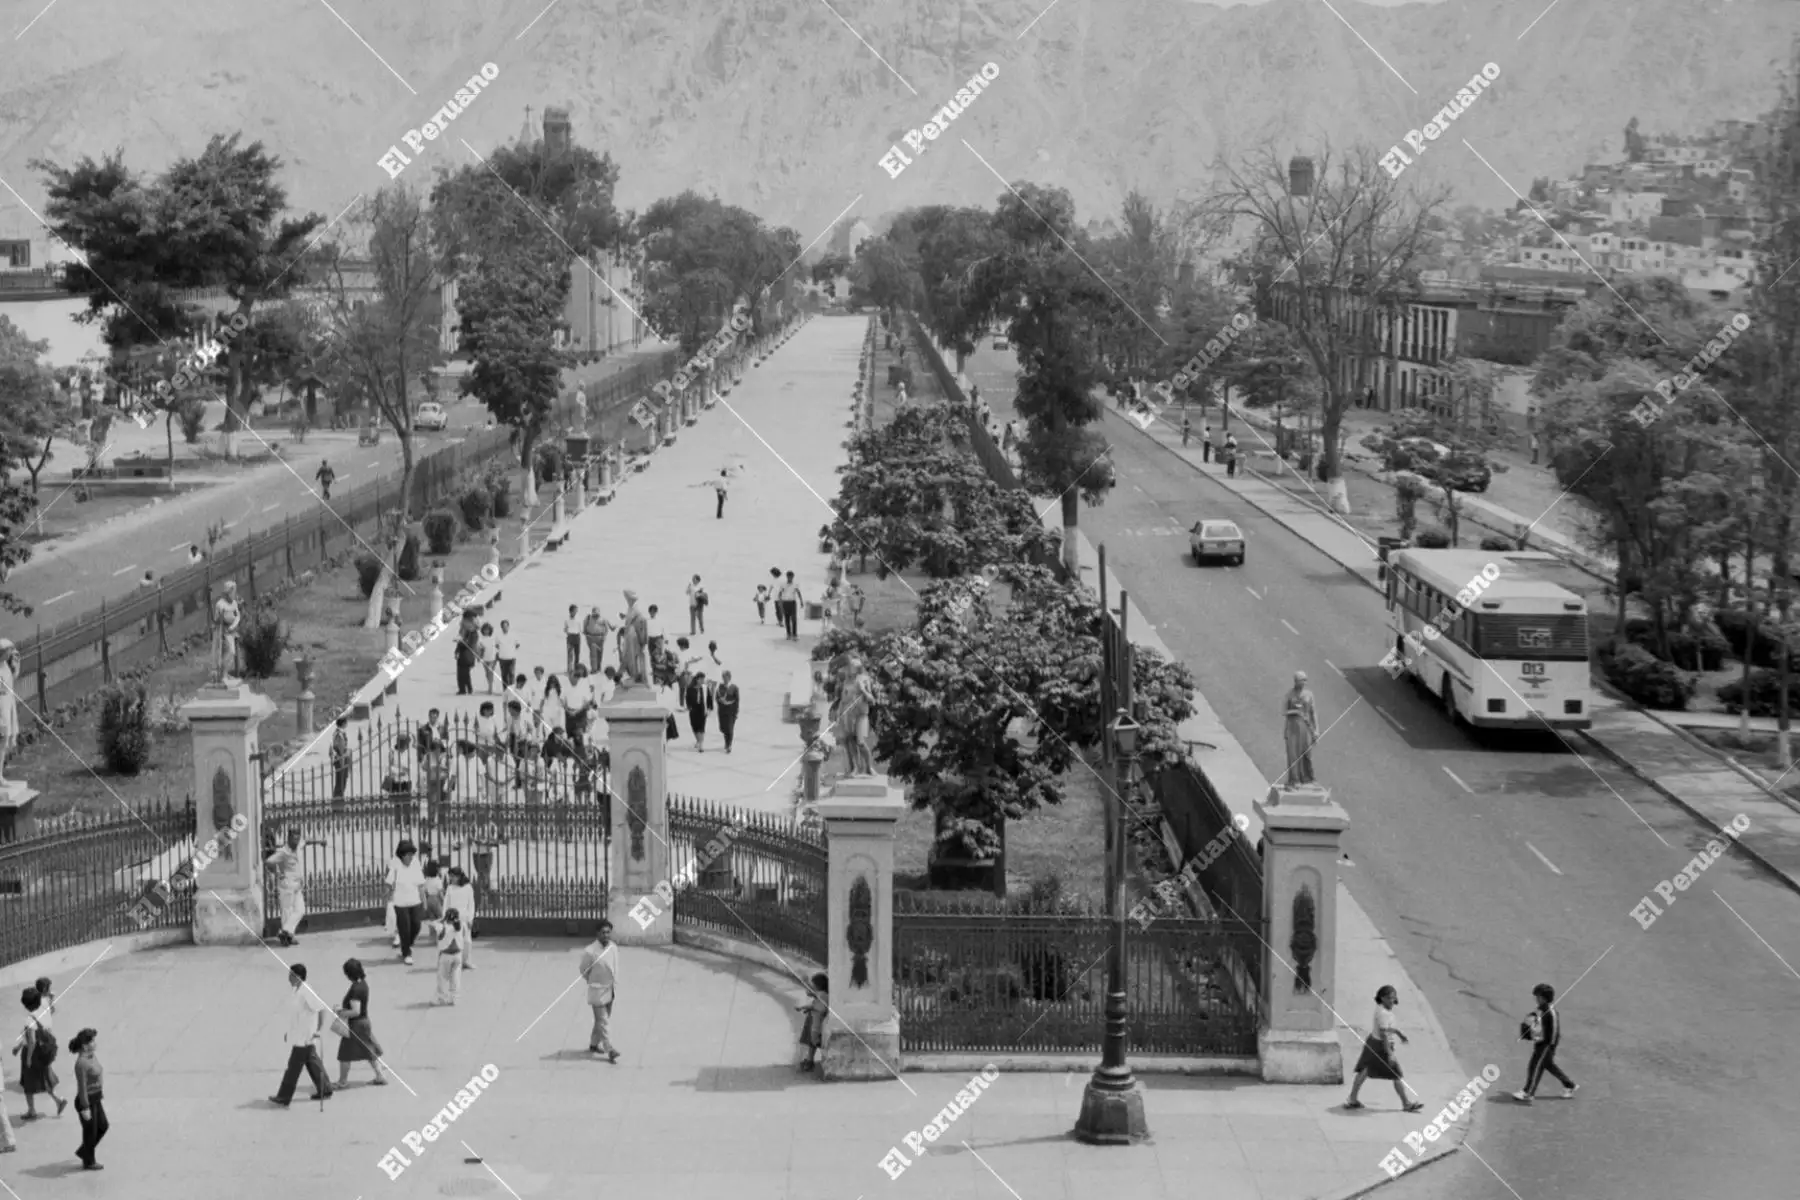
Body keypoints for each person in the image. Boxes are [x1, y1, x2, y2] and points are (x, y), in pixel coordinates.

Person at [1344, 985, 1420, 1112]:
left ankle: (1352, 1099)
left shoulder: (1381, 1009)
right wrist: (1389, 1054)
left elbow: (1387, 1029)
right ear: (1382, 998)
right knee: (1396, 1075)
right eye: (1389, 998)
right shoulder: (1383, 1014)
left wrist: (1399, 1034)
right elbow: (1384, 1034)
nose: (1392, 1000)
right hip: (1381, 1046)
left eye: (1393, 997)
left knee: (1365, 1070)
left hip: (1373, 1042)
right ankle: (1406, 1104)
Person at [270, 965, 333, 1107]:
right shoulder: (297, 991)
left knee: (293, 1067)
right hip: (300, 1034)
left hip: (305, 1036)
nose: (289, 978)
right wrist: (289, 1032)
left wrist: (320, 1029)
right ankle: (326, 1088)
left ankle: (284, 1096)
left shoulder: (306, 991)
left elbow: (321, 1008)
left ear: (298, 977)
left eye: (291, 975)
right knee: (312, 1062)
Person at [1513, 983, 1577, 1103]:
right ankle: (1569, 1085)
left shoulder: (1550, 1012)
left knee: (1535, 1066)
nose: (1536, 998)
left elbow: (1554, 1031)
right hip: (1541, 1043)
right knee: (1548, 1065)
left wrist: (1549, 1045)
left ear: (1543, 997)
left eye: (1538, 996)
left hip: (1547, 1044)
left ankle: (1528, 1093)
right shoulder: (1540, 1009)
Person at [13, 988, 65, 1119]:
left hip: (33, 1054)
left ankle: (31, 1111)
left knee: (28, 1084)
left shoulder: (29, 1020)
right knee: (43, 1078)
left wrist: (28, 1058)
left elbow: (31, 1041)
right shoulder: (44, 1011)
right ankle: (58, 1100)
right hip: (43, 1052)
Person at [334, 959, 387, 1088]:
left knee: (344, 1054)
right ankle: (380, 1076)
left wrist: (340, 1011)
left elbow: (355, 1011)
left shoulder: (356, 989)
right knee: (369, 1050)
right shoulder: (363, 984)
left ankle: (342, 1081)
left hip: (356, 1025)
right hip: (364, 1022)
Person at [580, 921, 620, 1062]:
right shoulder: (590, 951)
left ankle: (593, 1044)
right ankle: (610, 1049)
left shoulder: (613, 948)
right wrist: (593, 981)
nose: (606, 935)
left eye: (608, 932)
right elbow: (584, 970)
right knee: (603, 1021)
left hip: (610, 989)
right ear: (597, 934)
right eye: (603, 932)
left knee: (602, 1020)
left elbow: (615, 967)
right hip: (597, 990)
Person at [264, 826, 307, 947]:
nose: (296, 840)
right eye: (294, 837)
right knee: (287, 911)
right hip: (286, 885)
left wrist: (320, 842)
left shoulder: (298, 846)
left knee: (300, 910)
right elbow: (268, 861)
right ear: (288, 838)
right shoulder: (283, 852)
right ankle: (288, 936)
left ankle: (285, 932)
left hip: (297, 885)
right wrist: (278, 873)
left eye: (298, 837)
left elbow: (306, 842)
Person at [69, 1028, 105, 1169]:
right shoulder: (81, 1064)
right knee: (90, 1132)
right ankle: (89, 1161)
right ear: (85, 1045)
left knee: (103, 1126)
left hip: (96, 1097)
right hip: (87, 1100)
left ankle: (84, 1152)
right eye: (92, 1041)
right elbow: (82, 1087)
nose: (94, 1043)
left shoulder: (91, 1056)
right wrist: (85, 1107)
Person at [386, 841, 425, 965]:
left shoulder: (416, 863)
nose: (410, 857)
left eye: (411, 855)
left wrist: (424, 900)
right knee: (404, 928)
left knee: (416, 925)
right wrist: (387, 896)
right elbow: (389, 882)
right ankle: (407, 953)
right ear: (402, 855)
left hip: (415, 900)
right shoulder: (395, 864)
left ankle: (407, 943)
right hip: (400, 902)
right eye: (407, 855)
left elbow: (421, 883)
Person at [1283, 671, 1319, 786]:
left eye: (1305, 680)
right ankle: (1295, 779)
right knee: (1293, 754)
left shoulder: (1309, 694)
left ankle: (1308, 778)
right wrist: (1296, 711)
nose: (1303, 682)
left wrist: (1316, 730)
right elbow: (1284, 711)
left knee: (1306, 753)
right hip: (1293, 727)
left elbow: (1313, 713)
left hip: (1305, 727)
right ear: (1295, 681)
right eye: (1301, 680)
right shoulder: (1290, 694)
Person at [444, 868, 477, 971]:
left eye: (453, 876)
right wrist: (445, 917)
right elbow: (446, 903)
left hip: (464, 917)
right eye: (450, 876)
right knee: (454, 941)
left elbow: (471, 904)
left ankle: (466, 961)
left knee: (467, 941)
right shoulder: (450, 888)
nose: (451, 878)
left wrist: (471, 918)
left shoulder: (468, 888)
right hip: (452, 918)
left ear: (459, 876)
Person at [796, 971, 829, 1072]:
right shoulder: (821, 994)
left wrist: (805, 981)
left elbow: (811, 995)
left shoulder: (822, 995)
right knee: (811, 1041)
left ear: (818, 986)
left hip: (817, 1023)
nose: (811, 987)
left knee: (814, 1040)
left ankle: (811, 1061)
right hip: (812, 1019)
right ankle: (809, 1059)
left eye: (813, 985)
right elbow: (810, 993)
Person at [434, 908, 468, 1006]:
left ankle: (441, 997)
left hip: (445, 955)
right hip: (458, 955)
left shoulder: (442, 926)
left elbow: (436, 925)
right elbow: (464, 936)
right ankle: (454, 998)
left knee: (442, 977)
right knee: (456, 977)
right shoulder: (461, 925)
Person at [212, 581, 242, 683]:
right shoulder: (220, 604)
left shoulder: (234, 603)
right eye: (233, 591)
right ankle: (221, 675)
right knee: (227, 652)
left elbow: (237, 616)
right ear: (228, 592)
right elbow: (216, 619)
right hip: (222, 632)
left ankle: (225, 674)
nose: (234, 594)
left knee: (231, 653)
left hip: (231, 631)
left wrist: (234, 625)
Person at [383, 735, 413, 830]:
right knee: (397, 803)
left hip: (406, 780)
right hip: (396, 781)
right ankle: (398, 823)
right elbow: (389, 766)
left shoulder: (408, 753)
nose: (407, 746)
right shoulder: (392, 753)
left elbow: (410, 766)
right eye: (406, 744)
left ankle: (407, 823)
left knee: (407, 803)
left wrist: (404, 769)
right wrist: (399, 771)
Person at [685, 670, 713, 752]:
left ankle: (701, 745)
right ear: (696, 679)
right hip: (693, 710)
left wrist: (709, 708)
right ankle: (698, 740)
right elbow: (687, 698)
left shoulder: (705, 688)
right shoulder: (690, 688)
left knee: (701, 727)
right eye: (700, 679)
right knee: (694, 727)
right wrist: (689, 707)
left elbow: (709, 698)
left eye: (703, 679)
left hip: (702, 709)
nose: (702, 681)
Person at [715, 670, 741, 754]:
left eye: (726, 677)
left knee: (730, 728)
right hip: (722, 710)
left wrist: (736, 711)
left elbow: (737, 700)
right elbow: (716, 697)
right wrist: (720, 701)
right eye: (723, 677)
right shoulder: (720, 687)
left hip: (731, 711)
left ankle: (729, 744)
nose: (725, 679)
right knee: (723, 728)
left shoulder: (734, 688)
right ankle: (726, 741)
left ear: (729, 678)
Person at [583, 608, 611, 674]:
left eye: (597, 614)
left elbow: (606, 629)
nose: (596, 616)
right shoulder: (588, 618)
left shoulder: (603, 619)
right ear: (592, 613)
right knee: (593, 654)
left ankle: (598, 668)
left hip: (600, 638)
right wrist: (587, 636)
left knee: (599, 654)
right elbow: (584, 629)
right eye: (595, 614)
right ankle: (594, 669)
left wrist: (604, 637)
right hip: (591, 637)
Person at [454, 617, 478, 696]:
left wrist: (461, 642)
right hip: (462, 655)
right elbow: (460, 643)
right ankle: (463, 689)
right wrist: (456, 651)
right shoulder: (465, 633)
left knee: (465, 673)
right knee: (461, 673)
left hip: (468, 656)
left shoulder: (474, 634)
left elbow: (470, 645)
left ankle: (467, 689)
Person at [330, 716, 351, 803]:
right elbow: (340, 748)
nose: (347, 724)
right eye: (346, 722)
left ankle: (340, 798)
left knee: (343, 779)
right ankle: (337, 800)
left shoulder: (341, 733)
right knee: (340, 781)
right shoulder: (338, 734)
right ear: (343, 724)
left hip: (343, 758)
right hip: (340, 760)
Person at [778, 572, 803, 641]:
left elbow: (798, 592)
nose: (790, 578)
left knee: (794, 619)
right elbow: (780, 594)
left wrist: (801, 601)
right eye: (788, 577)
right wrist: (780, 603)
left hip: (792, 603)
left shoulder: (795, 584)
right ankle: (788, 634)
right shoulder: (783, 585)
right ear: (787, 577)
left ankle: (795, 634)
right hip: (785, 603)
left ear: (793, 577)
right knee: (787, 619)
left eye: (791, 577)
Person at [496, 620, 520, 690]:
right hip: (502, 658)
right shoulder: (498, 636)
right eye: (503, 627)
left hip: (511, 658)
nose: (505, 628)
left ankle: (512, 689)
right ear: (501, 627)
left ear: (508, 627)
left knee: (511, 674)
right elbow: (497, 645)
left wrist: (510, 650)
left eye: (506, 626)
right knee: (504, 675)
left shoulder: (513, 635)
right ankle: (505, 689)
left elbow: (517, 645)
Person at [477, 622, 499, 693]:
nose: (486, 631)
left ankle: (490, 688)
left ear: (490, 630)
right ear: (482, 630)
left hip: (493, 658)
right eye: (485, 630)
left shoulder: (493, 638)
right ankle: (490, 686)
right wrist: (478, 657)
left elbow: (498, 646)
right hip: (485, 659)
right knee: (487, 673)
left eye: (488, 630)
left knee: (490, 672)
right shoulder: (481, 639)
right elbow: (479, 649)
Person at [563, 605, 583, 676]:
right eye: (575, 611)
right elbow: (565, 629)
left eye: (576, 611)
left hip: (577, 637)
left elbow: (581, 628)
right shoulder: (567, 619)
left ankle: (576, 669)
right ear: (571, 611)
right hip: (570, 637)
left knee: (577, 654)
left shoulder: (578, 618)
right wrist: (568, 631)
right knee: (570, 655)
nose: (576, 612)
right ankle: (570, 670)